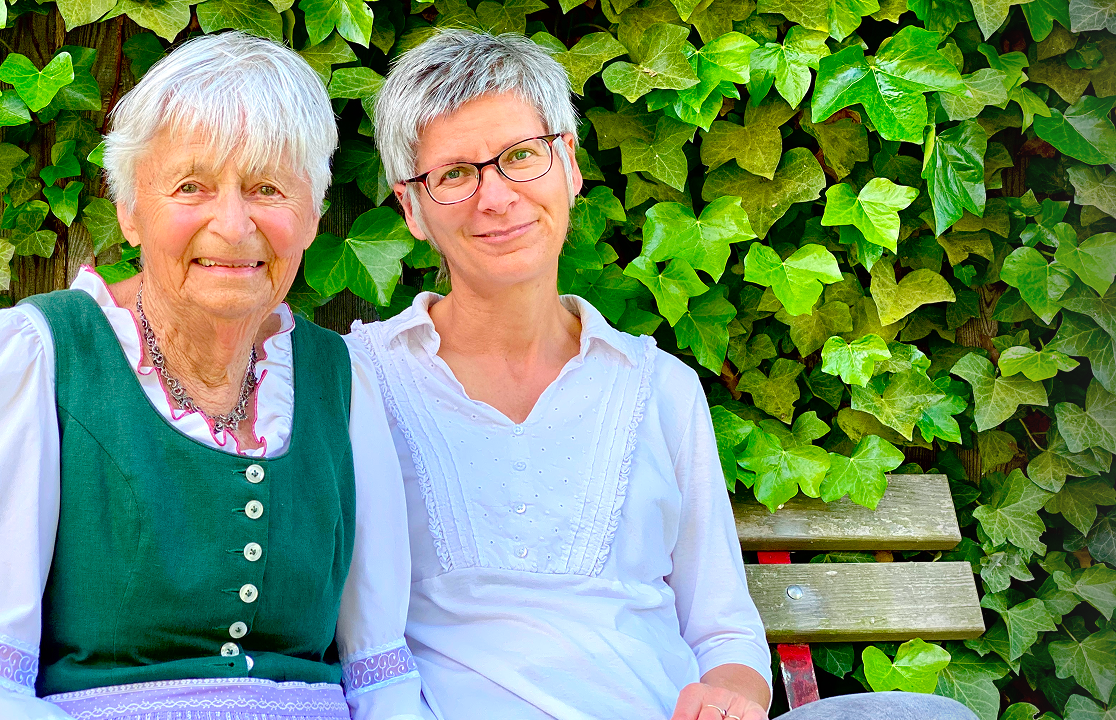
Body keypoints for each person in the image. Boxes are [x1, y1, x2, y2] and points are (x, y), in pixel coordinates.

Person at [345, 29, 982, 720]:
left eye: (521, 156)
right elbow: (361, 638)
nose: (495, 198)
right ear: (411, 208)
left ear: (570, 167)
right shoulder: (363, 380)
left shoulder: (660, 388)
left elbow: (724, 631)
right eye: (455, 174)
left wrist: (732, 698)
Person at [0, 31, 412, 720]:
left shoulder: (342, 385)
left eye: (268, 188)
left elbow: (380, 677)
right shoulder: (33, 361)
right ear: (130, 210)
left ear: (312, 215)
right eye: (191, 186)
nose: (233, 224)